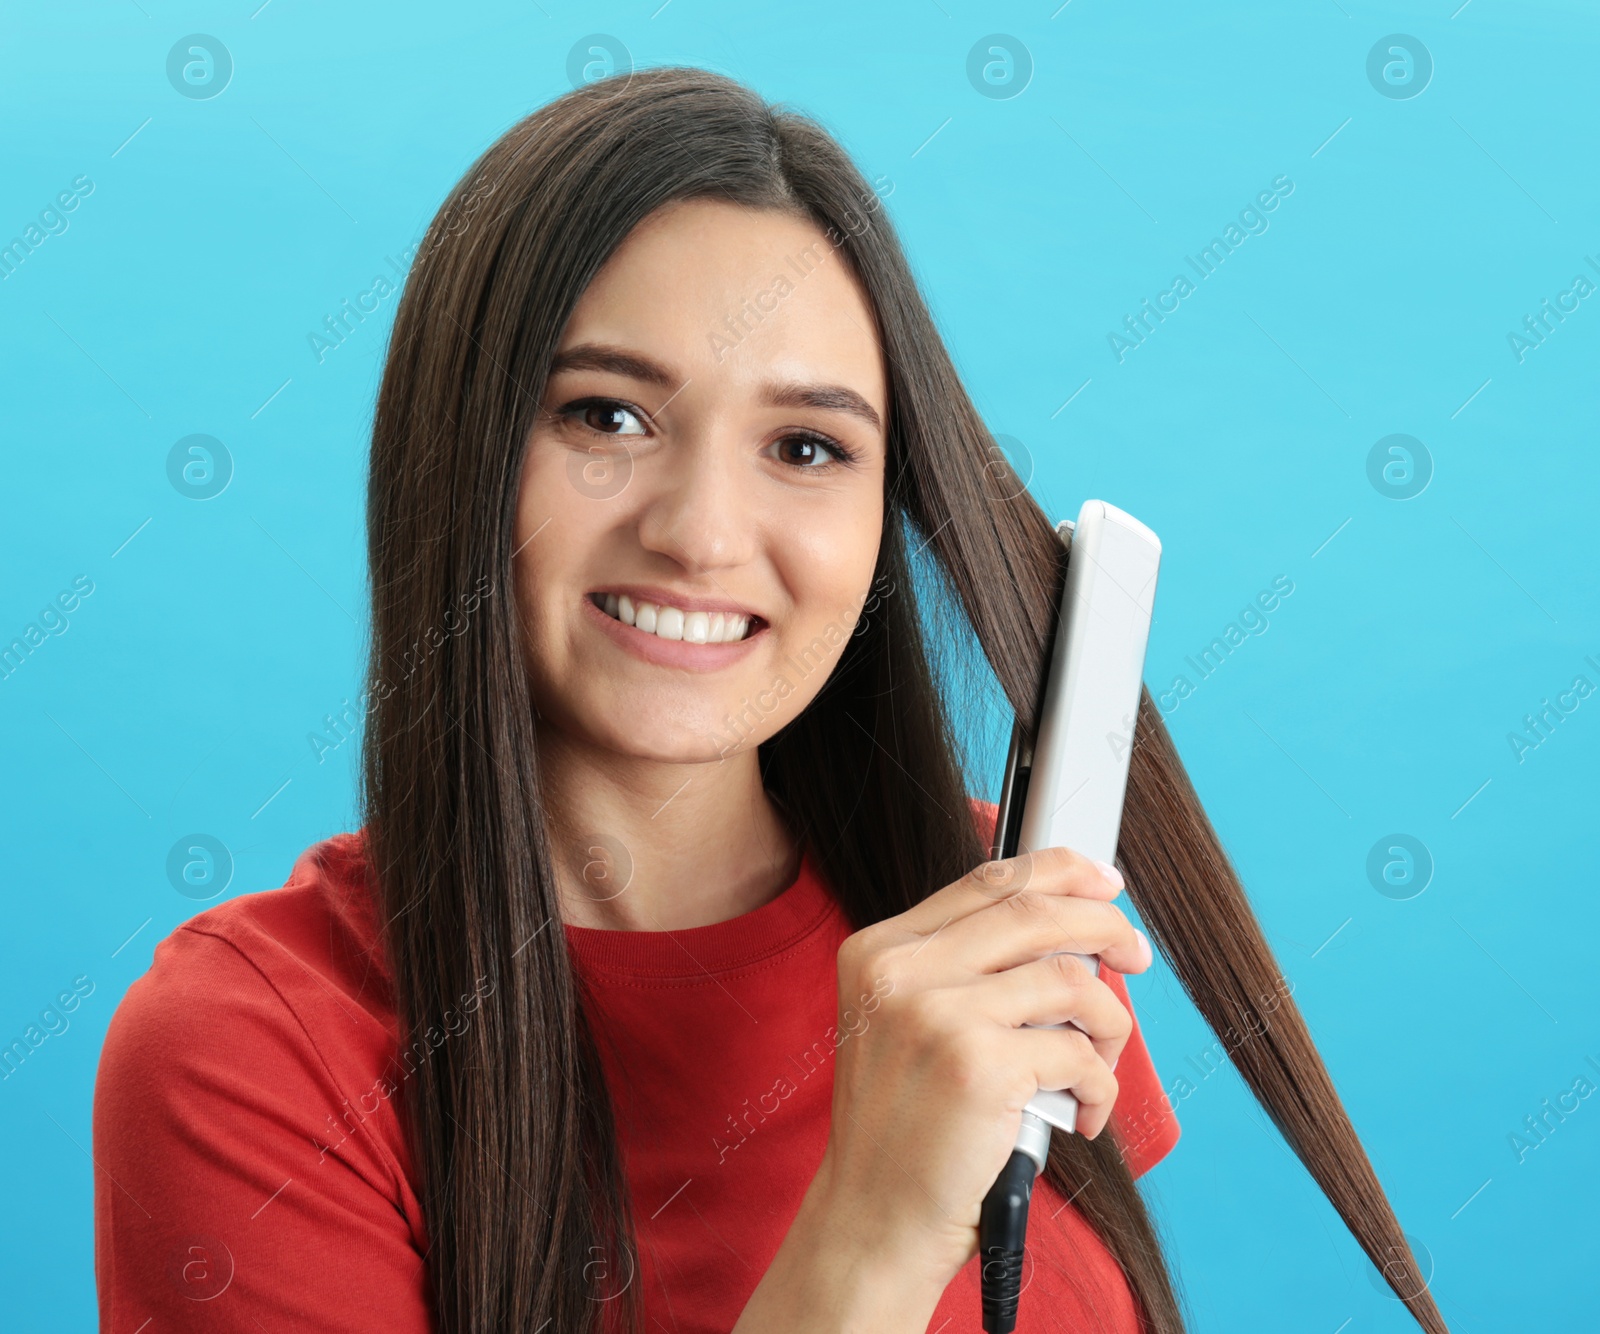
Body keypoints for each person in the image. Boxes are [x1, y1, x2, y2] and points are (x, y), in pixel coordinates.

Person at [94, 67, 1445, 1334]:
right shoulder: (250, 1054)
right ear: (460, 449)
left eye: (806, 446)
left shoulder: (997, 908)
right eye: (607, 417)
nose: (702, 533)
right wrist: (871, 1230)